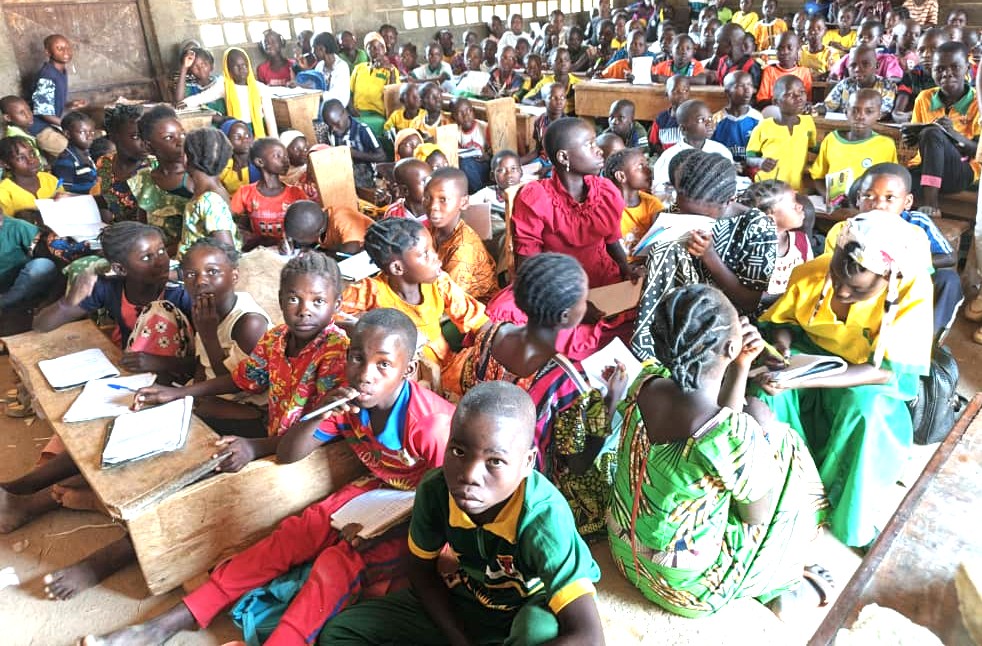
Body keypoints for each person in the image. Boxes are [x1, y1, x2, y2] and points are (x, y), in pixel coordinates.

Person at [84, 307, 453, 646]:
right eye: (357, 357)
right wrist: (320, 412)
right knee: (300, 531)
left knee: (340, 560)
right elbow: (290, 453)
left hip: (426, 510)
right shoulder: (347, 400)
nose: (365, 374)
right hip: (382, 490)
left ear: (408, 370)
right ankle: (170, 621)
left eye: (383, 365)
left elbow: (450, 508)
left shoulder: (430, 427)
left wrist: (382, 533)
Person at [318, 381, 605, 645]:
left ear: (527, 462)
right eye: (458, 452)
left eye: (495, 461)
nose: (469, 474)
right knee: (341, 633)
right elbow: (421, 571)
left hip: (527, 610)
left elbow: (589, 636)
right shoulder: (436, 491)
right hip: (469, 600)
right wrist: (459, 640)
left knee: (537, 631)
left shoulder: (543, 517)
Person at [610, 283, 830, 617]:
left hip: (624, 554)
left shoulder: (644, 383)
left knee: (752, 420)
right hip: (688, 589)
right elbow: (755, 518)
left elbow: (721, 423)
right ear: (730, 345)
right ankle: (782, 581)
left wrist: (740, 364)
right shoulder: (730, 435)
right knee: (782, 445)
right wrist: (762, 439)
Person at [754, 212, 934, 548]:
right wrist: (782, 348)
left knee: (863, 410)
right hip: (810, 358)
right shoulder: (813, 272)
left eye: (857, 289)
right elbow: (784, 322)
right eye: (837, 278)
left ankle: (853, 520)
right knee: (767, 395)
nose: (842, 291)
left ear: (889, 279)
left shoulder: (912, 291)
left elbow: (885, 371)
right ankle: (784, 496)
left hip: (867, 376)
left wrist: (804, 381)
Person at [632, 150, 779, 358]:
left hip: (728, 323)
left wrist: (709, 256)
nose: (688, 219)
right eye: (683, 210)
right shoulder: (675, 211)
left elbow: (749, 302)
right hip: (675, 312)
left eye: (699, 217)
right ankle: (653, 352)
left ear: (729, 200)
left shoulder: (757, 227)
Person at [827, 164, 962, 339]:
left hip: (906, 283)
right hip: (864, 289)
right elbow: (833, 269)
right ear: (858, 199)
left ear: (907, 202)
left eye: (889, 198)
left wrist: (900, 265)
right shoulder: (848, 229)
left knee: (949, 279)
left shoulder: (917, 225)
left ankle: (929, 339)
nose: (878, 205)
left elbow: (949, 257)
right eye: (868, 196)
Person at [341, 217, 490, 368]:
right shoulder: (370, 291)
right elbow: (335, 317)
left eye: (432, 248)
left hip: (445, 364)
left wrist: (488, 346)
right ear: (397, 268)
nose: (436, 256)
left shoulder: (440, 283)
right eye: (425, 254)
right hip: (402, 371)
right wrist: (371, 327)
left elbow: (477, 319)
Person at [172, 237, 271, 435]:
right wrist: (195, 390)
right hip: (214, 394)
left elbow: (241, 386)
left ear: (234, 276)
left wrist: (209, 335)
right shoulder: (205, 309)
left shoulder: (249, 323)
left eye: (212, 272)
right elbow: (202, 362)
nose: (200, 281)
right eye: (191, 274)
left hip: (251, 405)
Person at [904, 41, 979, 215]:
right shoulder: (924, 98)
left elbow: (978, 151)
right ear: (931, 71)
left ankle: (931, 204)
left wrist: (951, 134)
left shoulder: (977, 103)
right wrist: (912, 137)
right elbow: (919, 140)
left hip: (961, 171)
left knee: (933, 132)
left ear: (967, 68)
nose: (946, 73)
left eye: (955, 67)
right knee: (886, 178)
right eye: (939, 69)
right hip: (925, 168)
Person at [809, 88, 898, 209]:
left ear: (879, 114)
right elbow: (817, 177)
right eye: (854, 110)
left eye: (869, 111)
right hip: (836, 207)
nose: (860, 116)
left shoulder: (885, 145)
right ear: (846, 111)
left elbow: (892, 184)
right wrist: (829, 196)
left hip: (869, 208)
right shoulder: (832, 140)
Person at [425, 167, 497, 301]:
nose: (433, 206)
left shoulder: (463, 249)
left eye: (443, 199)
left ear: (463, 202)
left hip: (471, 307)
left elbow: (450, 300)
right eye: (428, 197)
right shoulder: (432, 230)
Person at [126, 106, 193, 247]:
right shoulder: (144, 180)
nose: (180, 142)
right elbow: (143, 226)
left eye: (182, 134)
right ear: (149, 147)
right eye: (169, 137)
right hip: (158, 251)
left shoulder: (196, 176)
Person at [181, 48, 278, 138]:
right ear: (228, 69)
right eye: (236, 66)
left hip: (258, 127)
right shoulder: (224, 86)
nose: (242, 69)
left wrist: (275, 139)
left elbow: (270, 118)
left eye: (244, 65)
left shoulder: (261, 88)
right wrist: (185, 103)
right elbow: (202, 97)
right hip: (236, 128)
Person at [738, 180, 812, 298]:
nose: (800, 206)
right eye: (793, 205)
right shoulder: (751, 248)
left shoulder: (801, 241)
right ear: (770, 217)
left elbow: (809, 280)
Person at [231, 137, 307, 249]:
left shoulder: (296, 193)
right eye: (277, 156)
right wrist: (247, 235)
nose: (285, 160)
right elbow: (230, 222)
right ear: (260, 162)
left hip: (290, 251)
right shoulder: (245, 193)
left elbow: (306, 227)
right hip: (259, 252)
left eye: (286, 156)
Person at [746, 75, 816, 191]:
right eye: (789, 94)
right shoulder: (764, 127)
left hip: (795, 188)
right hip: (767, 188)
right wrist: (760, 162)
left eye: (802, 92)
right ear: (776, 102)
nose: (798, 97)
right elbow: (749, 157)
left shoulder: (808, 122)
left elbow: (812, 146)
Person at [178, 128, 239, 257]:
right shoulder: (214, 191)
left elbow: (228, 252)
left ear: (185, 159)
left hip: (198, 267)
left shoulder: (210, 200)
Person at [652, 99, 734, 186]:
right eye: (701, 120)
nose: (709, 123)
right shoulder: (669, 157)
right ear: (683, 129)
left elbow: (730, 183)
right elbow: (661, 189)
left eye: (710, 118)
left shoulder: (721, 151)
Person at [30, 34, 86, 159]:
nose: (65, 51)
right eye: (59, 48)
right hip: (39, 128)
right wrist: (69, 125)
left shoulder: (61, 71)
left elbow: (50, 101)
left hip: (51, 123)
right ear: (48, 52)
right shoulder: (47, 76)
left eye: (67, 47)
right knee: (72, 151)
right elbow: (43, 113)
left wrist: (69, 104)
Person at [91, 104, 149, 224]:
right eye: (135, 137)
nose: (144, 142)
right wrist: (72, 198)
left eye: (146, 134)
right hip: (118, 229)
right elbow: (108, 199)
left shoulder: (152, 167)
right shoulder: (105, 163)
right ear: (113, 137)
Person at [605, 147, 665, 254]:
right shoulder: (606, 208)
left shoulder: (652, 204)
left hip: (648, 261)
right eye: (640, 166)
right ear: (621, 176)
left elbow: (659, 244)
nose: (648, 170)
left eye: (647, 164)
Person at [315, 99, 385, 190]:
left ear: (345, 113)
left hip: (365, 175)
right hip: (343, 171)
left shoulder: (363, 130)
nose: (334, 129)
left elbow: (382, 156)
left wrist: (354, 154)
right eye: (330, 125)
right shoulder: (331, 132)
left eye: (336, 123)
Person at [0, 212, 59, 314]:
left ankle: (5, 302)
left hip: (20, 282)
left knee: (43, 265)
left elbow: (44, 255)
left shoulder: (18, 227)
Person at [821, 44, 898, 117]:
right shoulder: (845, 84)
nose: (857, 69)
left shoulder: (887, 86)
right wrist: (818, 108)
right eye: (853, 65)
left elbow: (882, 112)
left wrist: (853, 112)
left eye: (865, 64)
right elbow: (828, 106)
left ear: (877, 66)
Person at [350, 31, 402, 138]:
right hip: (358, 113)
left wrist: (391, 71)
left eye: (380, 47)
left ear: (384, 49)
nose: (376, 50)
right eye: (371, 47)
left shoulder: (391, 70)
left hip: (378, 114)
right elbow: (349, 92)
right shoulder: (359, 68)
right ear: (366, 50)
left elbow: (393, 95)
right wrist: (352, 109)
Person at [282, 199, 372, 256]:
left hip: (370, 252)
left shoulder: (341, 219)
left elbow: (352, 249)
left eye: (300, 239)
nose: (298, 241)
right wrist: (288, 244)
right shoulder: (316, 222)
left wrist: (321, 253)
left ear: (318, 232)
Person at [0, 137, 62, 216]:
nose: (31, 160)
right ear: (5, 164)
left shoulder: (50, 179)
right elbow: (7, 222)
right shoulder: (4, 192)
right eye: (21, 158)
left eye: (32, 154)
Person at [711, 70, 762, 166]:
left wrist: (746, 164)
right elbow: (712, 152)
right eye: (740, 86)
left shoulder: (758, 119)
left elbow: (759, 151)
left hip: (750, 168)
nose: (747, 90)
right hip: (724, 169)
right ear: (727, 92)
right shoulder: (716, 120)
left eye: (750, 85)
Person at [757, 32, 813, 105]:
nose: (785, 52)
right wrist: (783, 102)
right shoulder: (769, 71)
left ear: (798, 51)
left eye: (790, 48)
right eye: (780, 48)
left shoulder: (804, 72)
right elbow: (761, 100)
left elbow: (807, 100)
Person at [523, 48, 581, 113]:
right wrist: (535, 103)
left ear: (570, 62)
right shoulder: (545, 82)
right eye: (558, 60)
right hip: (552, 117)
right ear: (550, 64)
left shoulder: (579, 84)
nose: (563, 63)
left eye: (566, 60)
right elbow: (525, 99)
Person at [173, 47, 225, 113]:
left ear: (212, 66)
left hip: (225, 118)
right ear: (189, 71)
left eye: (204, 64)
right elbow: (179, 102)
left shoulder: (220, 82)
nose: (200, 68)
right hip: (200, 119)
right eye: (195, 66)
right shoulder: (190, 87)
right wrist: (184, 67)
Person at [0, 96, 46, 170]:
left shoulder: (24, 129)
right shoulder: (15, 138)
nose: (28, 115)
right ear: (8, 118)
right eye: (22, 113)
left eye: (28, 110)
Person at [218, 119, 260, 195]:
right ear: (226, 140)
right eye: (237, 137)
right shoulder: (224, 167)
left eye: (247, 136)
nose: (244, 140)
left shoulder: (260, 164)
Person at [649, 75, 690, 153]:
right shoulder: (661, 119)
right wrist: (666, 155)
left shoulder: (694, 117)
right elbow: (654, 143)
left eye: (685, 91)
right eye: (675, 91)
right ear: (667, 94)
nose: (681, 95)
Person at [311, 31, 351, 109]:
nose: (312, 52)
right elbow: (314, 85)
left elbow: (337, 96)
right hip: (321, 106)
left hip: (336, 109)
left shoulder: (342, 66)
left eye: (313, 48)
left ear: (322, 49)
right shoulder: (319, 66)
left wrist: (315, 94)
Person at [716, 23, 763, 88]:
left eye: (717, 42)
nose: (714, 46)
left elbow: (753, 91)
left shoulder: (751, 66)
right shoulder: (723, 61)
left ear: (729, 44)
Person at [800, 14, 833, 79]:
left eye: (819, 28)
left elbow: (832, 76)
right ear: (804, 31)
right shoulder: (799, 52)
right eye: (809, 29)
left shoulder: (831, 53)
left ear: (825, 31)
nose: (813, 32)